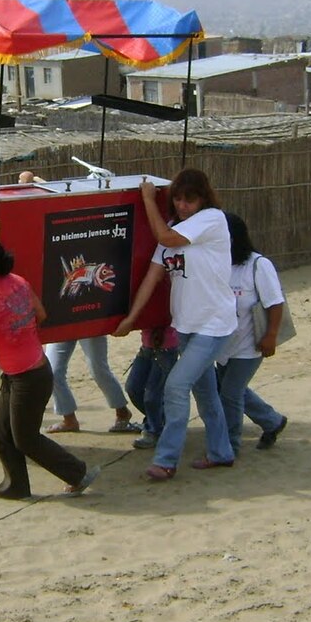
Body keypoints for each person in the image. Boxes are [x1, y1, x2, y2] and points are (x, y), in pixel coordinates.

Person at [114, 168, 236, 479]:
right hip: (186, 324)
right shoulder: (172, 227)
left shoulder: (212, 219)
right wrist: (131, 318)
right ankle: (221, 452)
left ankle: (166, 460)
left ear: (202, 199)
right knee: (205, 392)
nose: (183, 205)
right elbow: (152, 278)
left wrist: (148, 200)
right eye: (178, 199)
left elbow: (165, 238)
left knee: (176, 387)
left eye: (189, 200)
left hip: (214, 324)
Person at [0, 237, 100, 499]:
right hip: (30, 369)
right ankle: (15, 486)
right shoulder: (18, 282)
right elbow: (41, 315)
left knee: (25, 439)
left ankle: (78, 474)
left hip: (27, 378)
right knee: (0, 430)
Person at [15, 170, 137, 434]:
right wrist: (27, 182)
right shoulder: (61, 213)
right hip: (61, 311)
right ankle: (69, 418)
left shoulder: (105, 226)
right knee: (53, 370)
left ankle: (122, 412)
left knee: (97, 368)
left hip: (90, 313)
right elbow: (29, 181)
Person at [216, 213, 288, 454]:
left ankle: (230, 444)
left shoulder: (258, 265)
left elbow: (275, 303)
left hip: (250, 344)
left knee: (230, 392)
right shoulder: (217, 264)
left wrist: (271, 335)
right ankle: (273, 421)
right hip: (223, 344)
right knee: (233, 390)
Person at [124, 326, 179, 449]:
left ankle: (154, 430)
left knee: (152, 396)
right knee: (132, 388)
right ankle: (158, 420)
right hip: (147, 346)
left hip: (167, 348)